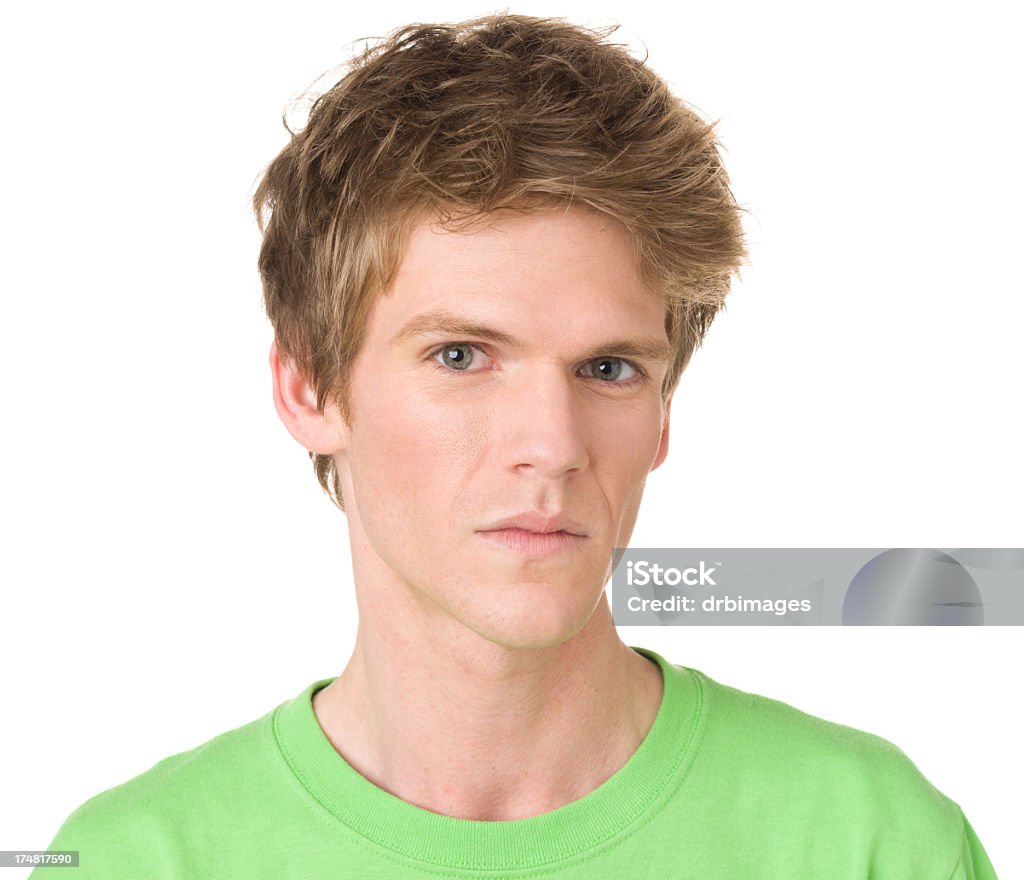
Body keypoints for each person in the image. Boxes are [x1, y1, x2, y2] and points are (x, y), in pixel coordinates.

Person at [31, 14, 997, 879]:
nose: (554, 446)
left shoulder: (871, 845)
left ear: (663, 416)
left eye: (609, 369)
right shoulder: (137, 861)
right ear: (310, 388)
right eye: (463, 355)